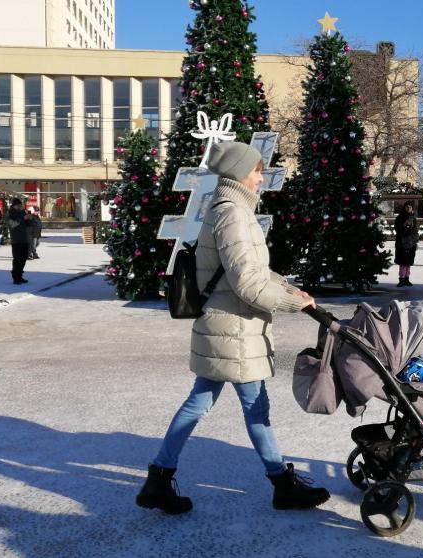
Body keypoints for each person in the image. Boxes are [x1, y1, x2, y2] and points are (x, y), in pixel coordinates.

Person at [136, 142, 329, 515]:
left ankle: (159, 478)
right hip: (235, 329)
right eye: (258, 170)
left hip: (226, 324)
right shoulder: (232, 214)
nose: (261, 177)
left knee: (201, 401)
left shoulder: (230, 210)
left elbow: (255, 270)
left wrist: (291, 288)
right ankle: (281, 484)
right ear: (241, 172)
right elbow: (248, 284)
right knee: (255, 406)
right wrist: (294, 304)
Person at [6, 198, 32, 285]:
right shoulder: (10, 213)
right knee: (17, 259)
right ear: (14, 205)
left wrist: (29, 219)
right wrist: (23, 218)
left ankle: (20, 276)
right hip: (16, 240)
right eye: (18, 205)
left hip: (25, 238)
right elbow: (12, 224)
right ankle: (16, 277)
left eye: (20, 205)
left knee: (24, 258)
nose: (20, 206)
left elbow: (28, 224)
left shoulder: (22, 212)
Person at [394, 201, 418, 287]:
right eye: (407, 207)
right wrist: (404, 227)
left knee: (409, 262)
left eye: (410, 207)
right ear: (404, 208)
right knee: (403, 262)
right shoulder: (400, 218)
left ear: (412, 208)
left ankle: (407, 279)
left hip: (411, 243)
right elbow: (397, 230)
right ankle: (401, 279)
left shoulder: (414, 219)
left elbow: (415, 231)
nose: (408, 208)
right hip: (402, 242)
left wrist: (415, 239)